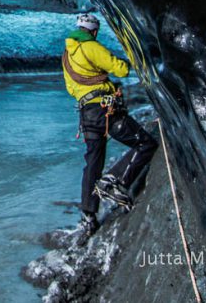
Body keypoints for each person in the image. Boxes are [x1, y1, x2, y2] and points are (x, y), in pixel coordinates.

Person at [63, 13, 158, 238]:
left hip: (86, 114)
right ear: (94, 31)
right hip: (105, 111)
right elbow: (122, 70)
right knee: (145, 143)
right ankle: (116, 181)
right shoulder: (91, 47)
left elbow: (70, 86)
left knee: (93, 161)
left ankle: (88, 214)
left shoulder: (67, 54)